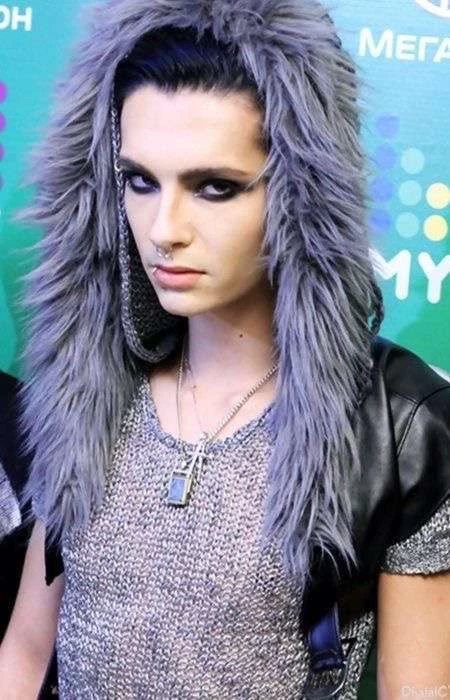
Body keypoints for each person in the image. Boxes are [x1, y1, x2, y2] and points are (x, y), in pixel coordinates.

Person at [0, 1, 449, 697]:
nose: (164, 228)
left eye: (215, 187)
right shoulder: (87, 384)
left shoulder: (398, 425)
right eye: (139, 181)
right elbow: (27, 654)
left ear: (303, 194)